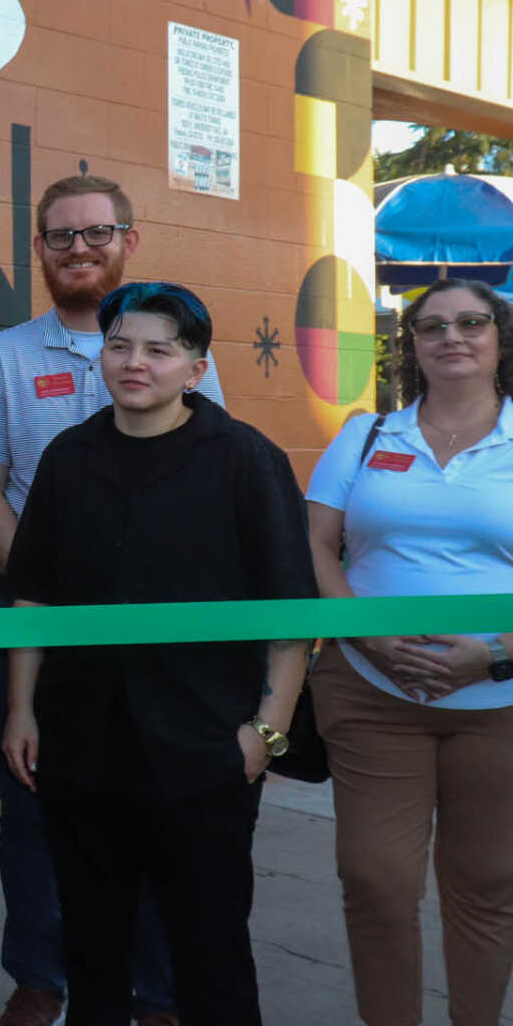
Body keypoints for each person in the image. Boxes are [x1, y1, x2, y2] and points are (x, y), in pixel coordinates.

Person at [0, 282, 313, 1026]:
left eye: (158, 350)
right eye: (120, 346)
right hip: (82, 744)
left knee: (212, 957)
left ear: (196, 370)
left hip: (205, 747)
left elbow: (291, 615)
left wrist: (266, 732)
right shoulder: (68, 458)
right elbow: (33, 595)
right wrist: (21, 710)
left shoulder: (246, 460)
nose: (134, 362)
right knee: (94, 950)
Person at [0, 173, 223, 1026]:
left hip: (153, 621)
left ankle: (156, 990)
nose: (79, 249)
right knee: (32, 802)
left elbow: (208, 475)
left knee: (152, 802)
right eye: (61, 236)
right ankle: (40, 978)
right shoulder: (4, 356)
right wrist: (43, 591)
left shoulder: (182, 346)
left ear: (128, 241)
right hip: (31, 613)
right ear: (40, 248)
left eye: (96, 233)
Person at [305, 278, 513, 1026]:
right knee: (375, 878)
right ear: (413, 344)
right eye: (432, 326)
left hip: (500, 703)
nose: (452, 337)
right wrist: (370, 636)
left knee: (488, 882)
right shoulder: (366, 436)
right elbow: (315, 545)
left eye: (472, 322)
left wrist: (494, 655)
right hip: (372, 692)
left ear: (500, 338)